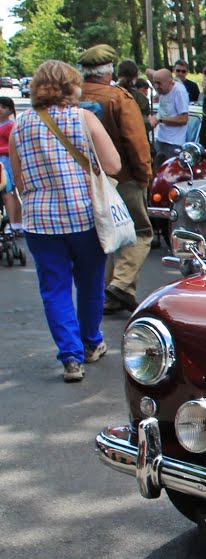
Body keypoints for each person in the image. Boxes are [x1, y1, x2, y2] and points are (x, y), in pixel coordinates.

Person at [9, 60, 122, 382]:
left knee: (54, 289)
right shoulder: (84, 118)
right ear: (72, 86)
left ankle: (70, 358)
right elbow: (113, 164)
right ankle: (91, 343)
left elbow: (18, 180)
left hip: (41, 222)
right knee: (90, 283)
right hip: (85, 216)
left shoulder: (21, 126)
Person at [79, 45, 154, 315]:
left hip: (84, 179)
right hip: (121, 177)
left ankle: (112, 292)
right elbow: (136, 141)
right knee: (139, 232)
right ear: (108, 70)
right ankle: (121, 285)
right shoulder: (119, 98)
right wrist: (144, 175)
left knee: (108, 235)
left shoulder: (72, 98)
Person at [146, 67, 189, 165]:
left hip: (174, 143)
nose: (156, 86)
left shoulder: (179, 91)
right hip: (161, 139)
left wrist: (159, 120)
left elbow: (183, 119)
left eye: (159, 83)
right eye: (155, 83)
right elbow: (148, 71)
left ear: (170, 83)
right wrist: (158, 75)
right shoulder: (162, 88)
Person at [0, 96, 23, 229]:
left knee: (9, 193)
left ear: (10, 111)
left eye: (4, 107)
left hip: (7, 163)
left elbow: (12, 146)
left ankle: (13, 223)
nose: (0, 109)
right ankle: (16, 223)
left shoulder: (10, 126)